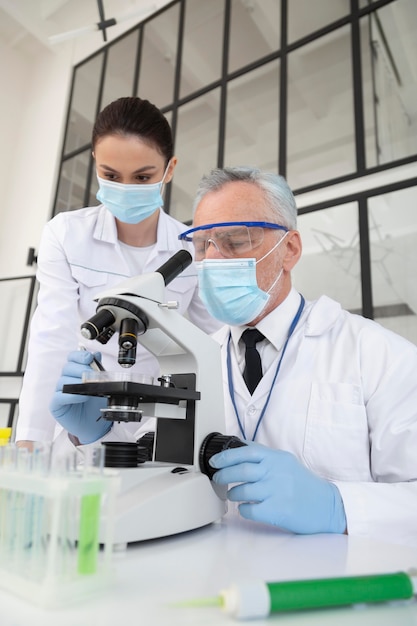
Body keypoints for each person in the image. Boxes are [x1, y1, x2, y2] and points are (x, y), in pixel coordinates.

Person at [48, 166, 417, 544]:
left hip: (330, 591)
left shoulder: (380, 355)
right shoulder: (196, 354)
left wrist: (339, 505)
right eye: (203, 243)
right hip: (212, 584)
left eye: (235, 241)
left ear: (289, 250)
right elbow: (151, 464)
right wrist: (93, 435)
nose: (214, 258)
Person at [15, 97, 220, 448]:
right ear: (95, 163)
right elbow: (52, 339)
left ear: (169, 170)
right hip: (87, 411)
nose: (126, 188)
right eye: (111, 175)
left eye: (143, 176)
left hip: (163, 412)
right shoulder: (66, 234)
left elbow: (212, 339)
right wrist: (31, 440)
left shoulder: (191, 249)